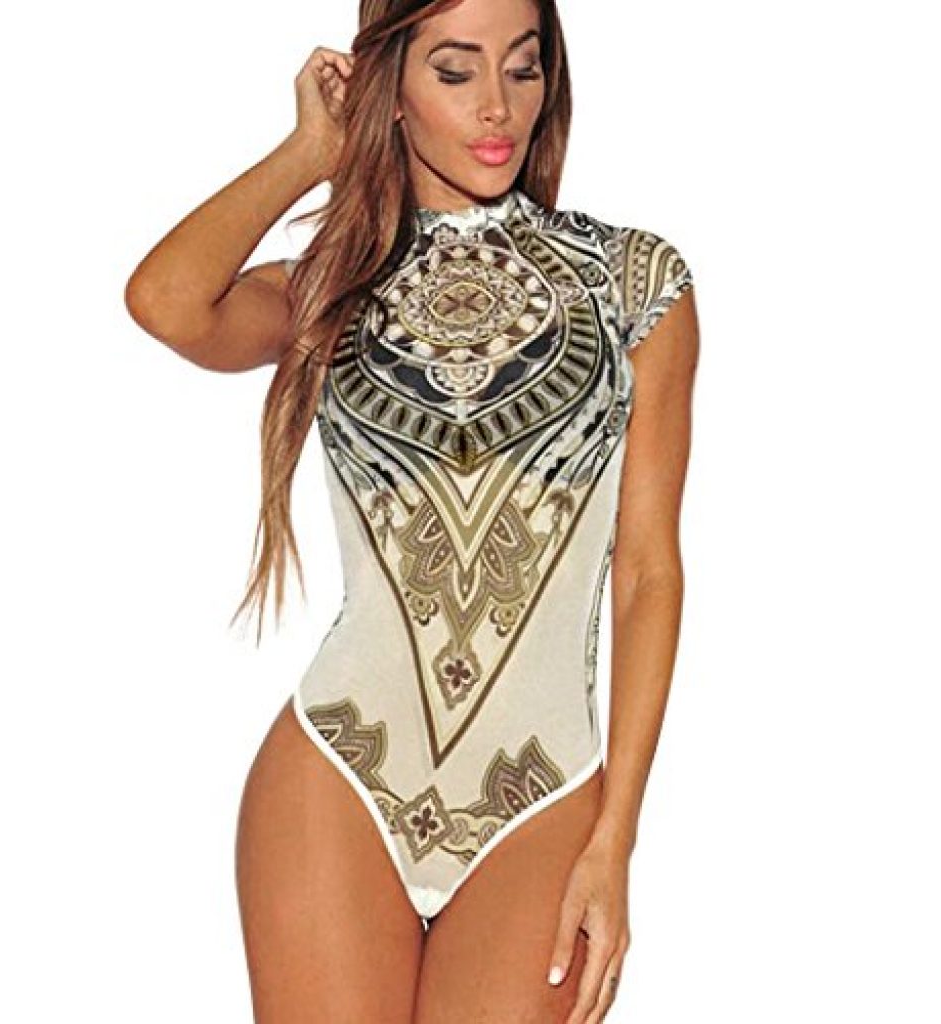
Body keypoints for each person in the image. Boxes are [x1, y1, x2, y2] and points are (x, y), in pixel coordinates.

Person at [124, 0, 700, 1020]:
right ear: (389, 87)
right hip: (337, 775)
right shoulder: (330, 287)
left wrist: (616, 840)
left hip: (544, 790)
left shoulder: (634, 283)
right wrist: (311, 153)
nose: (497, 106)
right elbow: (166, 300)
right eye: (455, 71)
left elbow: (647, 571)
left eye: (523, 67)